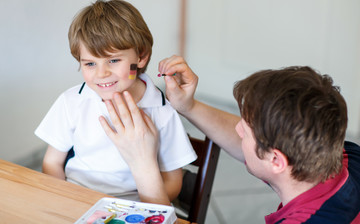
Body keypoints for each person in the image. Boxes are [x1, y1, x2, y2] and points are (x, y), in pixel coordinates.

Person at [104, 55, 360, 223]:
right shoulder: (344, 155)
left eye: (246, 130)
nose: (237, 130)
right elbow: (255, 149)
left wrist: (142, 163)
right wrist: (188, 106)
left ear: (276, 159)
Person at [34, 0, 197, 205]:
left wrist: (141, 204)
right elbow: (52, 162)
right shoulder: (72, 102)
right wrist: (64, 199)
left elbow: (173, 181)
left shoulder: (162, 111)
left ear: (141, 57)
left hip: (133, 207)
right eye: (91, 63)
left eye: (113, 60)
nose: (102, 74)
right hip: (76, 199)